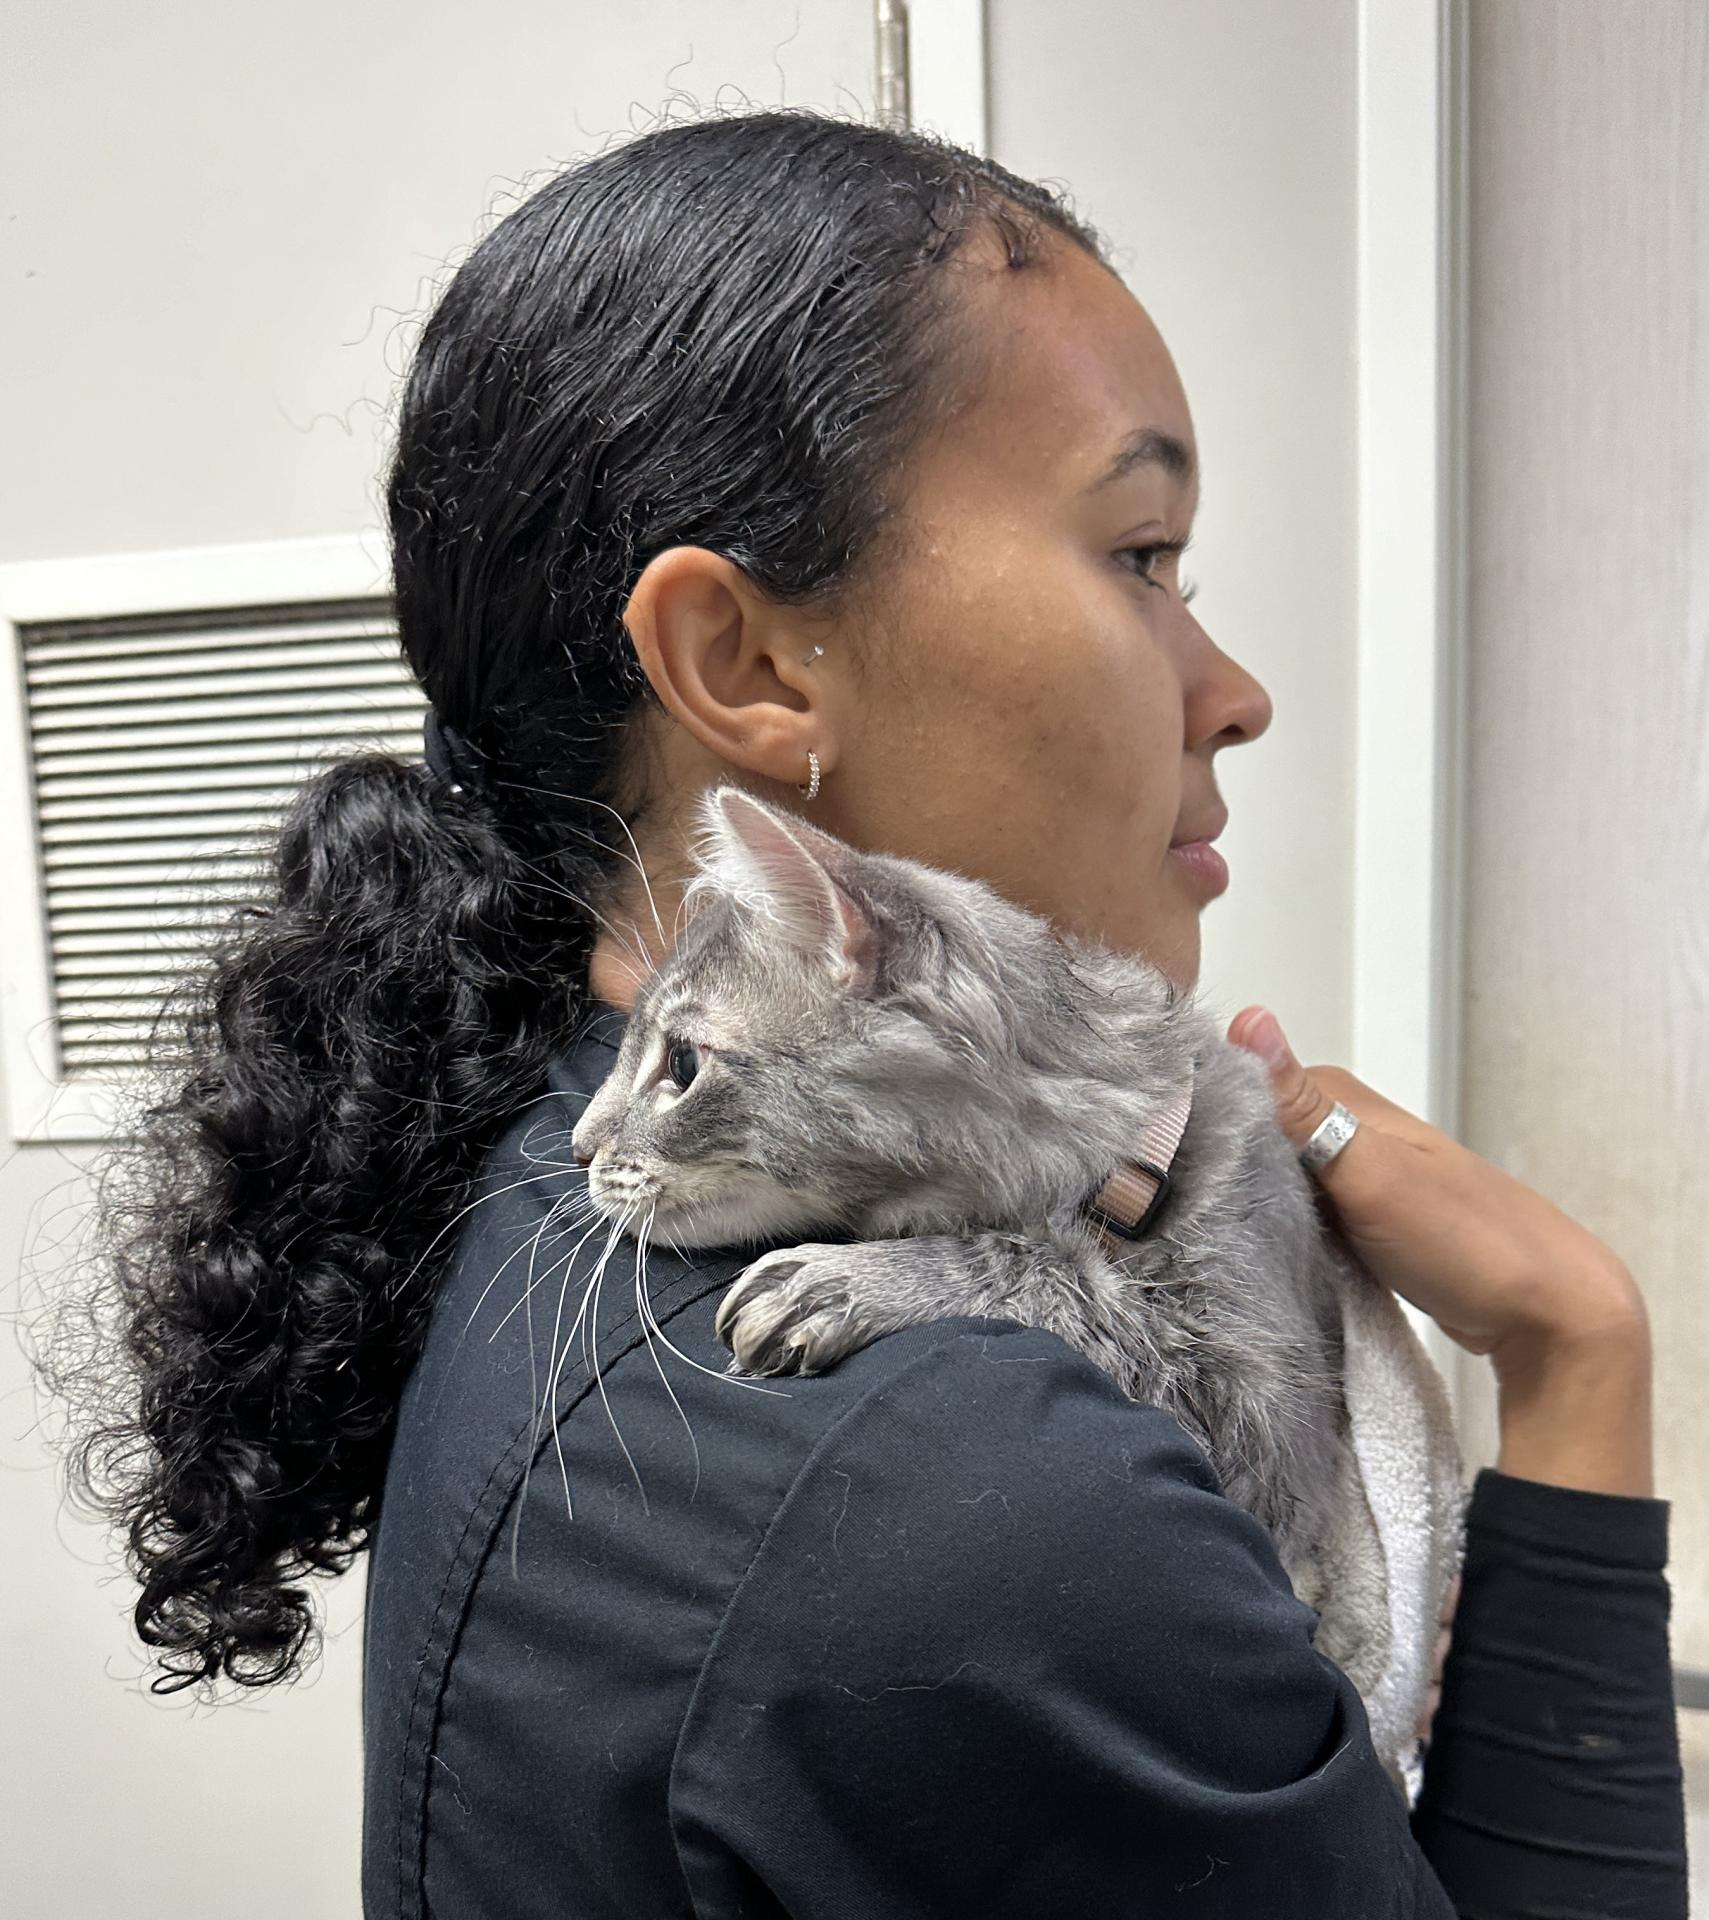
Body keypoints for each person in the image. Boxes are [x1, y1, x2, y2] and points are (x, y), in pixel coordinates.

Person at [53, 108, 1687, 1915]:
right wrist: (1574, 1365)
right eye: (1140, 554)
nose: (1233, 693)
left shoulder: (539, 1171)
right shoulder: (961, 1500)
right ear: (746, 665)